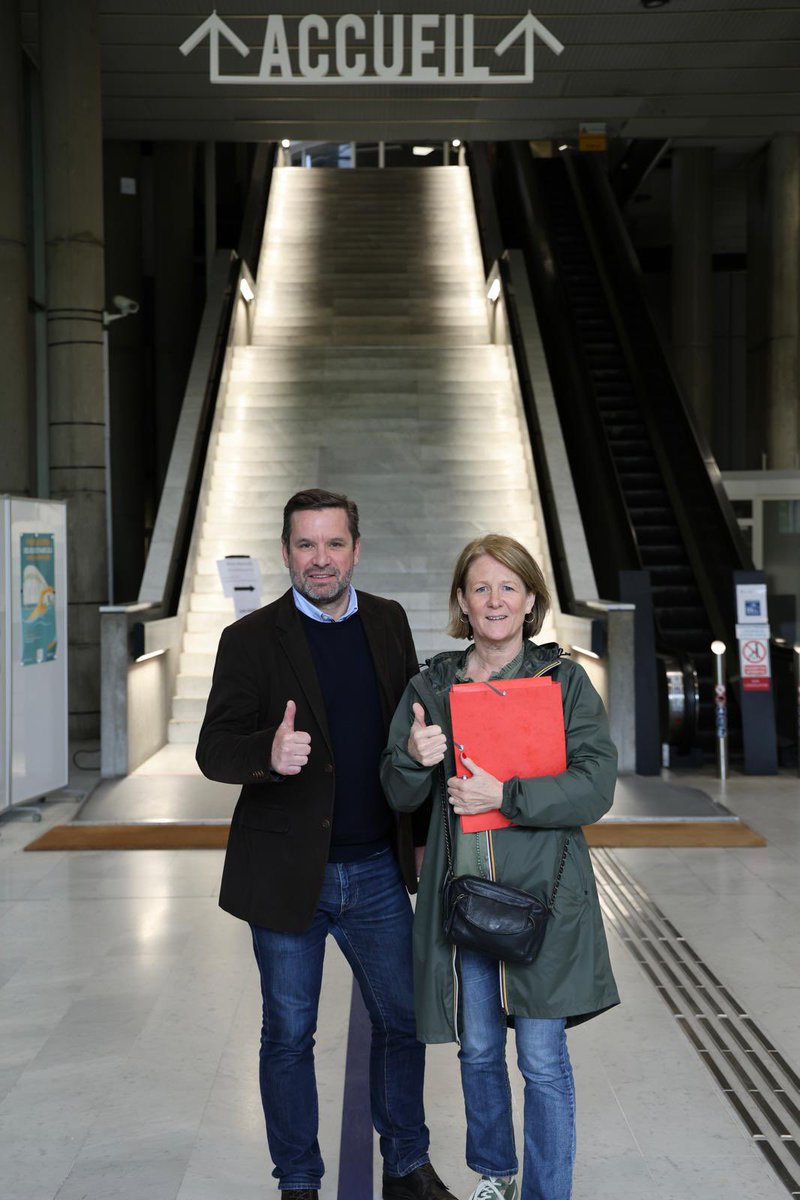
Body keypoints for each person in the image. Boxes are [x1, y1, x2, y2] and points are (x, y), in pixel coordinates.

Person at [196, 488, 458, 1200]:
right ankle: (300, 1182)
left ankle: (406, 1164)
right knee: (288, 1036)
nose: (320, 559)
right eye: (306, 545)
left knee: (404, 1020)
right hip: (287, 875)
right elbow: (213, 749)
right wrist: (266, 754)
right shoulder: (249, 640)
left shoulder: (388, 621)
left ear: (356, 549)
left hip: (375, 866)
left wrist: (426, 842)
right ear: (287, 553)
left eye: (333, 544)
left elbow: (411, 737)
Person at [381, 534, 620, 1200]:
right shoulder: (431, 684)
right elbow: (397, 795)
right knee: (479, 1049)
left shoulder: (563, 682)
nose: (494, 601)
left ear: (532, 600)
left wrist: (504, 797)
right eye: (480, 587)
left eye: (508, 587)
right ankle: (495, 1175)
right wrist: (413, 757)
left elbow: (596, 785)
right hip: (465, 903)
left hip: (541, 901)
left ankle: (548, 1193)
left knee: (542, 1062)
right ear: (462, 600)